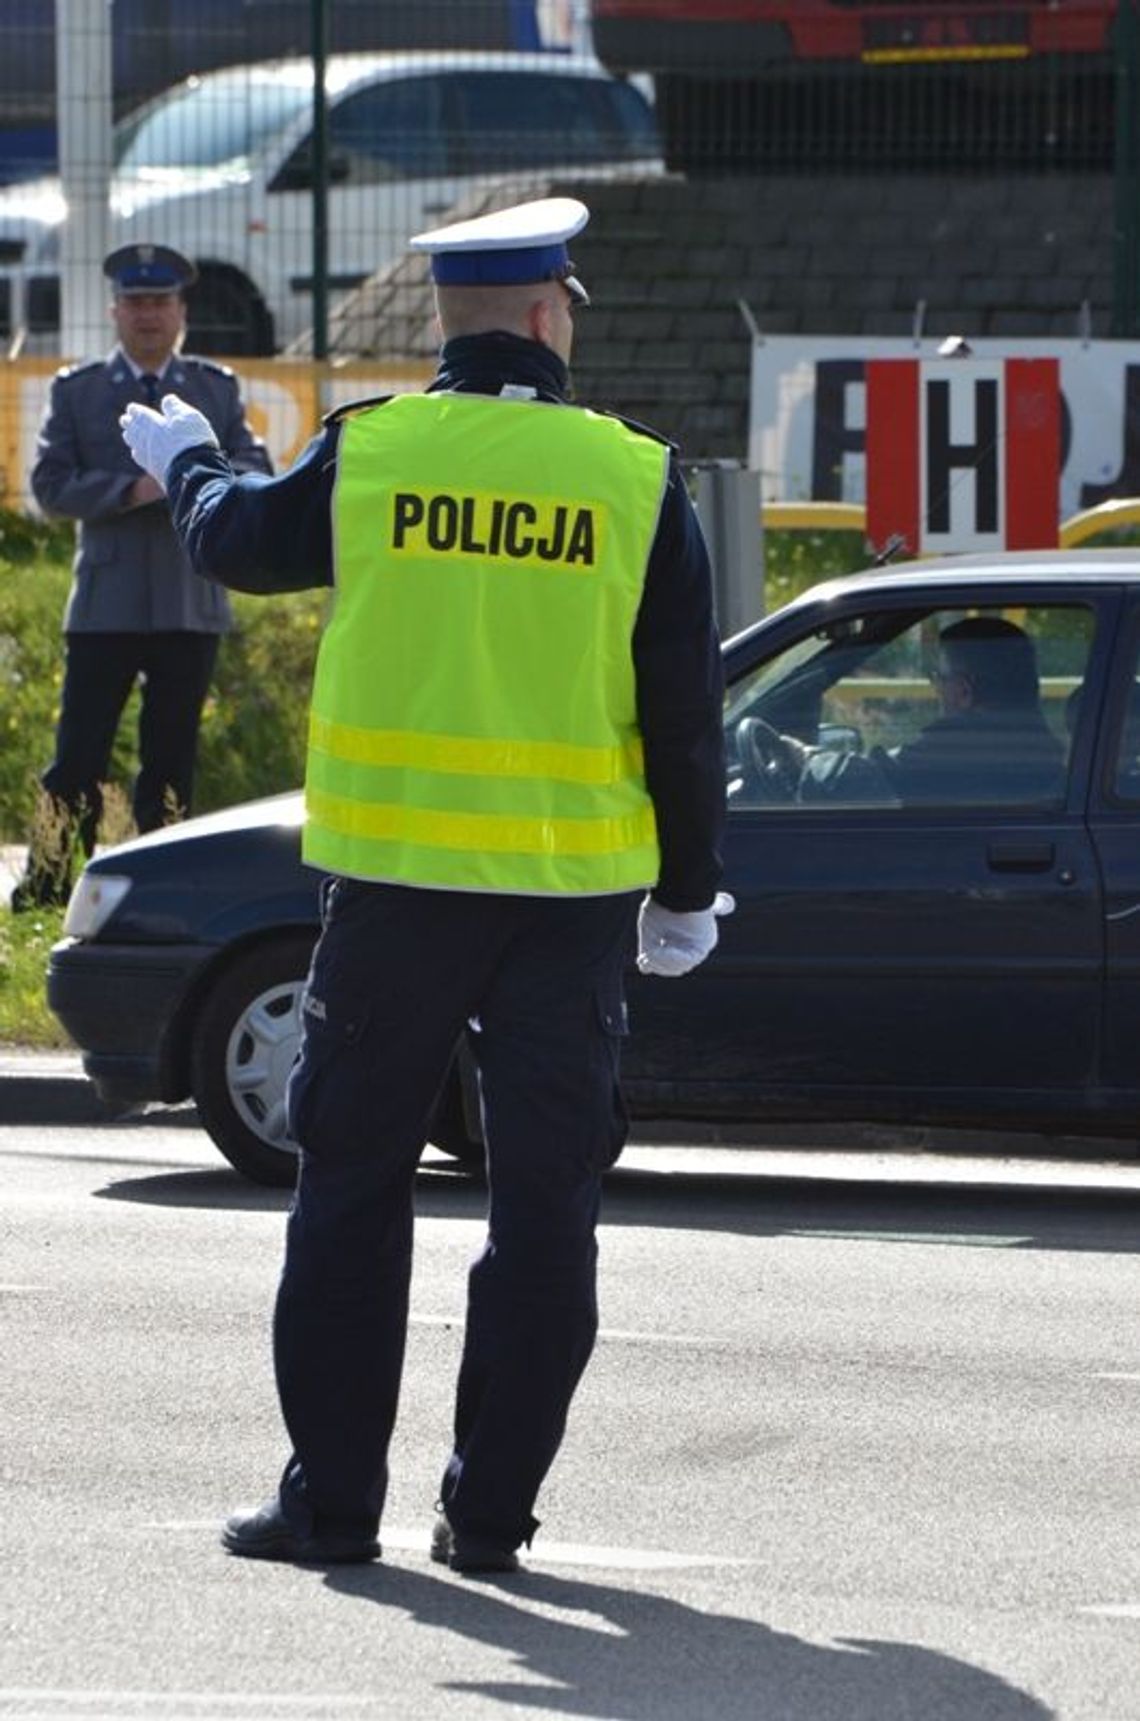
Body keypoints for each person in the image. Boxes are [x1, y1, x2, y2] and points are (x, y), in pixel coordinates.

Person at [120, 197, 729, 1573]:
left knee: (351, 1188)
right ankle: (491, 1517)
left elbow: (238, 541)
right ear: (546, 316)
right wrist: (688, 890)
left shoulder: (378, 450)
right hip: (570, 898)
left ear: (451, 323)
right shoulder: (633, 477)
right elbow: (684, 711)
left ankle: (333, 1507)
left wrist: (193, 458)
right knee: (545, 1208)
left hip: (395, 892)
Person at [10, 242, 272, 911]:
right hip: (106, 605)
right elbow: (50, 484)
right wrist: (133, 489)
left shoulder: (213, 388)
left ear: (182, 311)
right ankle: (49, 887)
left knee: (171, 760)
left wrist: (193, 476)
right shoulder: (79, 390)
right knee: (78, 755)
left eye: (161, 302)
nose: (149, 315)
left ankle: (163, 897)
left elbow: (254, 465)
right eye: (136, 303)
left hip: (190, 599)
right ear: (115, 311)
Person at [752, 616, 1066, 807]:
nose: (936, 688)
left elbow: (869, 778)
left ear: (964, 691)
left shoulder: (966, 746)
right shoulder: (1036, 743)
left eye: (939, 678)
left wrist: (806, 757)